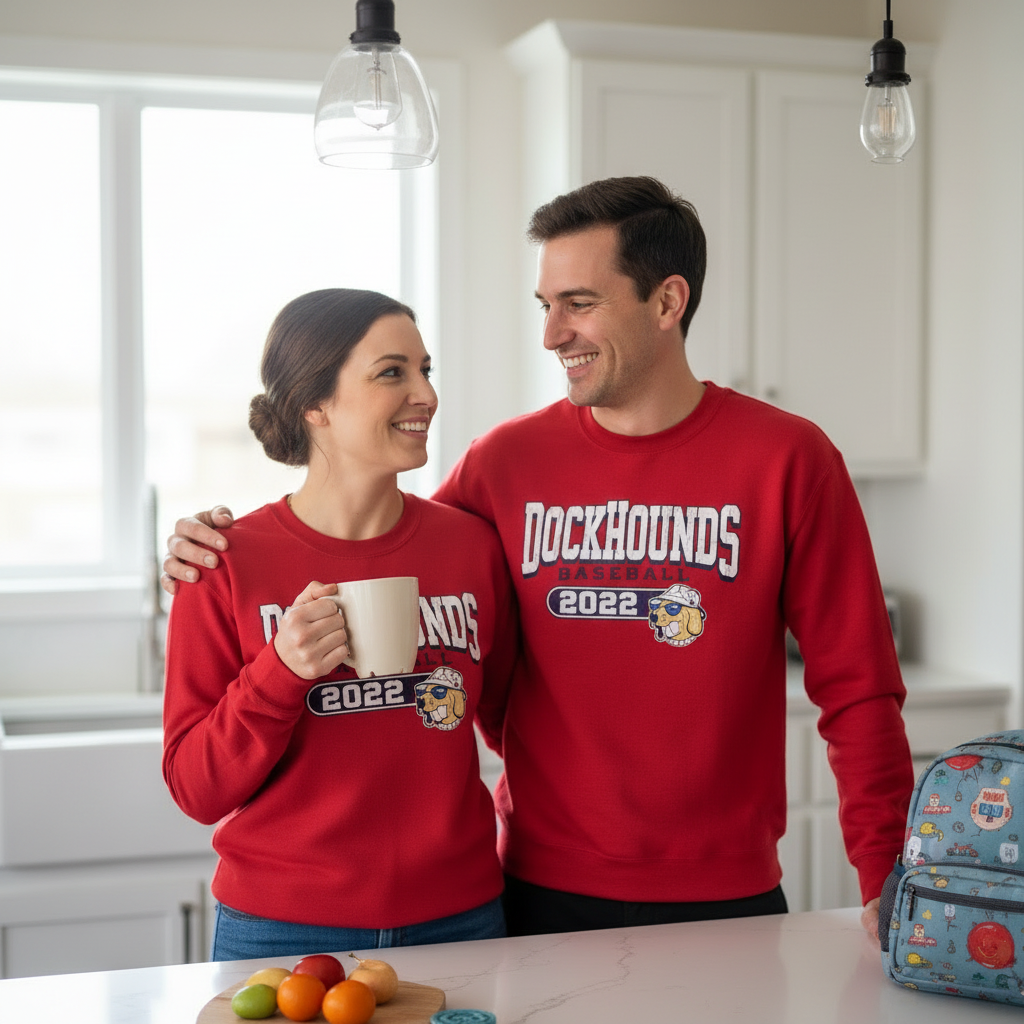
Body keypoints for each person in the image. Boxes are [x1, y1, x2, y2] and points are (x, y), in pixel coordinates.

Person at [163, 178, 913, 943]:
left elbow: (859, 688)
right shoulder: (502, 465)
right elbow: (367, 529)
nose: (553, 334)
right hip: (534, 890)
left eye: (578, 303)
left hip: (726, 890)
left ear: (667, 302)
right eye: (544, 306)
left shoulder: (789, 459)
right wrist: (219, 542)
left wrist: (887, 872)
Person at [161, 288, 516, 960]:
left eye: (425, 369)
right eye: (392, 372)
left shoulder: (472, 549)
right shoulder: (222, 562)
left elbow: (517, 718)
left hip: (462, 917)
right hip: (280, 929)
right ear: (314, 405)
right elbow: (196, 787)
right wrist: (280, 671)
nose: (426, 395)